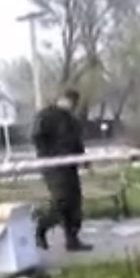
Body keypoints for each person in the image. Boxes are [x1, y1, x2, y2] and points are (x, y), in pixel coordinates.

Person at [32, 89, 92, 251]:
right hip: (53, 167)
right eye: (70, 101)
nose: (72, 105)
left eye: (74, 103)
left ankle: (72, 239)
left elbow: (76, 142)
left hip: (70, 167)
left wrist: (84, 160)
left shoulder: (72, 120)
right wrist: (49, 155)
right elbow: (38, 137)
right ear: (61, 99)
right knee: (62, 201)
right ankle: (41, 229)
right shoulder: (46, 115)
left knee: (74, 203)